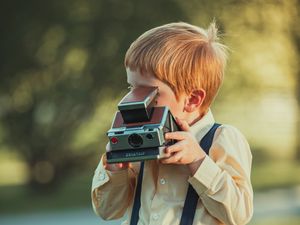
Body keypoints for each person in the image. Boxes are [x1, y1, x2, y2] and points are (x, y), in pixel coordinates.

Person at [91, 21, 253, 225]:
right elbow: (108, 211)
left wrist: (198, 162)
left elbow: (239, 215)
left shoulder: (222, 139)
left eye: (149, 93)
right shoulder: (138, 138)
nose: (134, 101)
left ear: (192, 99)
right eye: (131, 88)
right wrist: (115, 168)